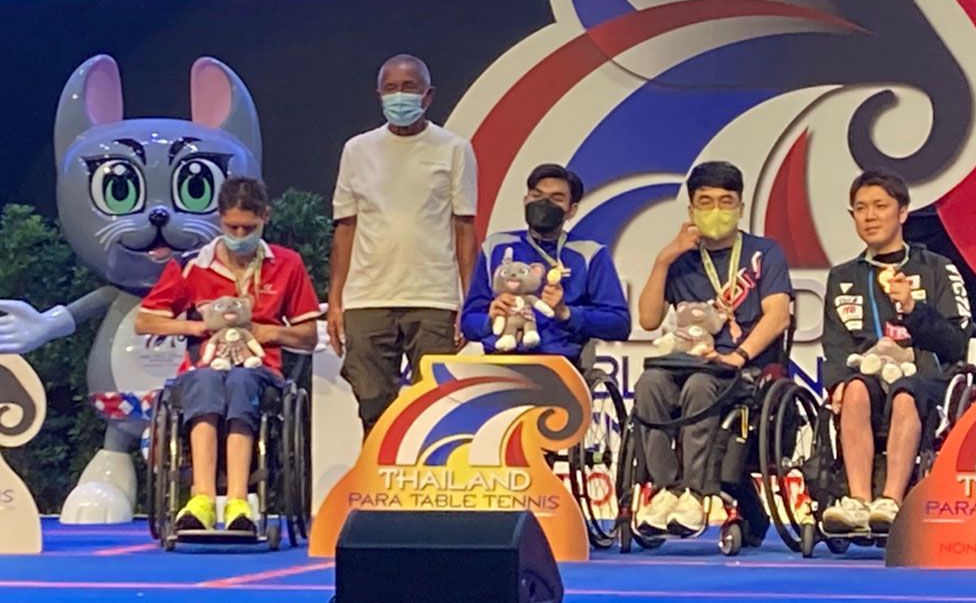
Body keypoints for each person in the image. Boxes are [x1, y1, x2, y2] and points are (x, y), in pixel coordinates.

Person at [135, 177, 320, 532]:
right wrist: (196, 327)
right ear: (219, 219)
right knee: (205, 381)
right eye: (232, 226)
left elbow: (309, 337)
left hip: (259, 369)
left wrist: (270, 332)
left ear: (265, 217)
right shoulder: (192, 264)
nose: (239, 235)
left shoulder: (287, 264)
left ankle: (238, 501)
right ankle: (202, 498)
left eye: (248, 228)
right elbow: (145, 321)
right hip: (205, 363)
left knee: (240, 382)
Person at [633, 161, 792, 537]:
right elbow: (649, 319)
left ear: (740, 207)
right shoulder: (680, 260)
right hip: (684, 361)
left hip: (740, 368)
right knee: (649, 385)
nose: (716, 210)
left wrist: (737, 355)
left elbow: (778, 316)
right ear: (691, 210)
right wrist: (664, 259)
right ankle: (666, 489)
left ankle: (696, 492)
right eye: (706, 202)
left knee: (701, 388)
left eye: (725, 201)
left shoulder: (764, 253)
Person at [327, 53, 478, 436]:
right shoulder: (357, 150)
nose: (400, 96)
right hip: (368, 297)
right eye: (391, 88)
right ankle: (376, 474)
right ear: (379, 95)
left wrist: (469, 300)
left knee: (435, 406)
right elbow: (345, 227)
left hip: (433, 296)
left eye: (409, 87)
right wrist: (336, 300)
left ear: (428, 95)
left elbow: (464, 228)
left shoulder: (454, 149)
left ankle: (429, 474)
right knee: (373, 405)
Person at [820, 170, 974, 533]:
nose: (870, 216)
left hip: (928, 380)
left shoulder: (938, 269)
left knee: (906, 392)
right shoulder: (843, 277)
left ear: (902, 212)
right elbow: (836, 343)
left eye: (880, 206)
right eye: (860, 208)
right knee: (855, 389)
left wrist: (913, 310)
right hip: (869, 378)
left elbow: (956, 343)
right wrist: (838, 382)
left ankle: (890, 501)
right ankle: (858, 501)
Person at [460, 163, 631, 363]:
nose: (543, 204)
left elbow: (619, 324)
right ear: (526, 201)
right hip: (501, 361)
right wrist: (490, 319)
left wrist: (566, 313)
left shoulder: (590, 254)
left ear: (571, 210)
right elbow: (469, 322)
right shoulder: (495, 247)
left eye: (556, 199)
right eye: (537, 195)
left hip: (560, 365)